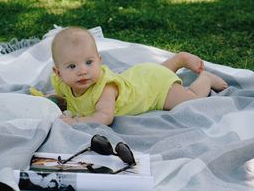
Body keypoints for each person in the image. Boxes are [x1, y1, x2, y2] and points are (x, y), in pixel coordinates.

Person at [50, 26, 228, 125]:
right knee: (154, 73)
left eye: (89, 63)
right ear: (58, 73)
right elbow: (63, 98)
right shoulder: (63, 84)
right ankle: (177, 61)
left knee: (191, 100)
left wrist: (77, 122)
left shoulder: (105, 89)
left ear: (99, 60)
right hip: (143, 75)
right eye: (72, 66)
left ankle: (205, 78)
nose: (83, 71)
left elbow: (104, 117)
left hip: (154, 91)